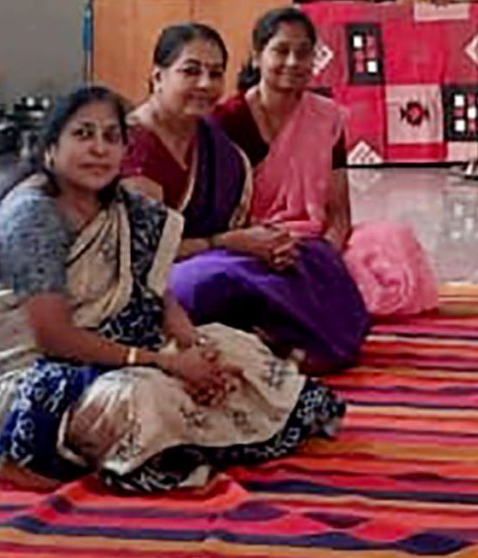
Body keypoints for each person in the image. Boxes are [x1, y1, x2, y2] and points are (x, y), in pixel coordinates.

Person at [0, 85, 345, 492]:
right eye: (83, 134)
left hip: (121, 346)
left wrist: (193, 347)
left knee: (234, 350)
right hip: (22, 372)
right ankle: (140, 454)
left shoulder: (125, 207)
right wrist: (164, 362)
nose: (99, 149)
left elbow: (157, 291)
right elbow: (54, 337)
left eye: (111, 137)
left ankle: (181, 440)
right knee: (137, 398)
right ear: (51, 149)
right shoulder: (32, 219)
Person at [123, 23, 369, 371]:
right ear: (158, 77)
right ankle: (262, 346)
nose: (205, 84)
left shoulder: (210, 140)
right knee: (209, 281)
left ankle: (263, 343)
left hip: (212, 254)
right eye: (191, 71)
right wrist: (227, 242)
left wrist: (264, 245)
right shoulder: (136, 145)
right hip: (147, 279)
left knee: (309, 256)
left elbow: (238, 223)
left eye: (215, 74)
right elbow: (144, 255)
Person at [215, 8, 437, 362]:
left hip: (313, 240)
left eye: (303, 53)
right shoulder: (230, 119)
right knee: (238, 277)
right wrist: (266, 245)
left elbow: (338, 211)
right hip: (254, 242)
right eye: (281, 51)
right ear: (257, 56)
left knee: (394, 244)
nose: (293, 62)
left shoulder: (326, 117)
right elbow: (222, 214)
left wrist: (326, 254)